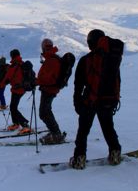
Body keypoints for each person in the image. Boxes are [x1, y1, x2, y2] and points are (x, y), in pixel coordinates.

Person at [70, 29, 122, 169]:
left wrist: (77, 102)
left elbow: (78, 85)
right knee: (108, 128)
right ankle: (115, 153)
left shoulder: (86, 60)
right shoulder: (113, 59)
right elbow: (117, 80)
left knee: (83, 131)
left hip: (90, 100)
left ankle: (79, 159)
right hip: (109, 100)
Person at [35, 38, 67, 145]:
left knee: (44, 113)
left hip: (49, 89)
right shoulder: (51, 58)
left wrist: (37, 81)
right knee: (46, 111)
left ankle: (56, 134)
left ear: (43, 48)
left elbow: (50, 78)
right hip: (48, 88)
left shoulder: (51, 60)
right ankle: (55, 132)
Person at [0, 49, 31, 134]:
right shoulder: (21, 63)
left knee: (13, 107)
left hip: (17, 89)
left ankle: (24, 125)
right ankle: (16, 123)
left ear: (12, 56)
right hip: (21, 88)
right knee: (13, 107)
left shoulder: (14, 66)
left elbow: (7, 79)